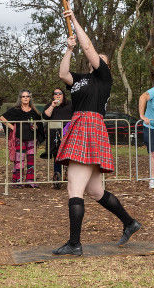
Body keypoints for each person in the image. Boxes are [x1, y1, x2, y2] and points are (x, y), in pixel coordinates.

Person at [53, 17, 140, 257]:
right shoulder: (81, 79)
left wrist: (73, 20)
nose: (97, 60)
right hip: (81, 125)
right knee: (95, 191)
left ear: (105, 65)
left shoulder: (104, 78)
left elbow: (89, 47)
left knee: (74, 189)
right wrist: (69, 49)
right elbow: (63, 73)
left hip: (89, 126)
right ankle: (130, 223)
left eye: (102, 60)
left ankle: (74, 243)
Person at [0, 89, 42, 187]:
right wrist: (12, 127)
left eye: (27, 96)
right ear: (20, 98)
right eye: (23, 96)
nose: (26, 98)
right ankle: (18, 181)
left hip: (32, 138)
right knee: (19, 160)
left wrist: (36, 127)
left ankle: (30, 181)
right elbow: (2, 117)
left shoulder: (34, 111)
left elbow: (39, 124)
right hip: (19, 138)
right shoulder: (15, 110)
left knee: (31, 160)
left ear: (30, 98)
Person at [42, 85, 73, 189]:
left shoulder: (70, 105)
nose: (58, 95)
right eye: (55, 94)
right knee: (57, 154)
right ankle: (57, 175)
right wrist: (53, 106)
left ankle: (70, 173)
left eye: (60, 93)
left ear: (63, 95)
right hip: (55, 133)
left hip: (69, 132)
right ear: (53, 96)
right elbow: (45, 116)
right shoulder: (50, 105)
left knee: (69, 154)